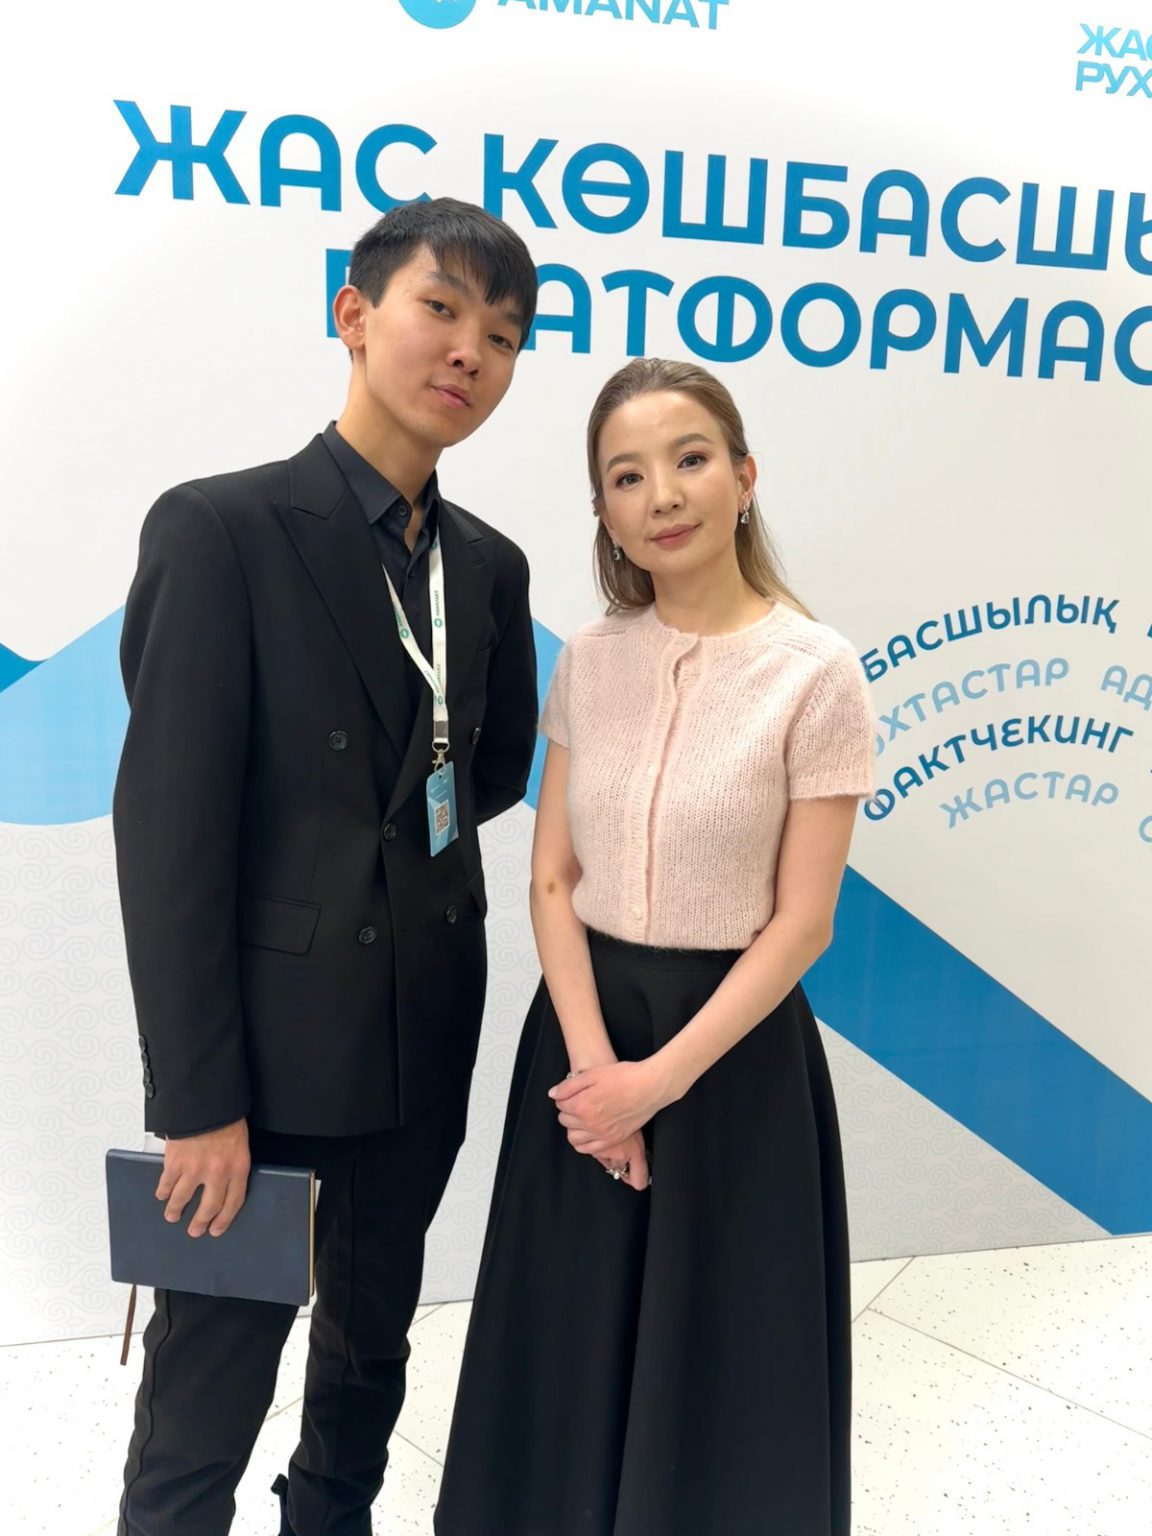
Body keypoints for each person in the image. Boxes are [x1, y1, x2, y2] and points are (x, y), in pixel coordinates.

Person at [112, 198, 539, 1536]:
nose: (469, 351)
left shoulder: (490, 566)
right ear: (353, 316)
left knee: (369, 1354)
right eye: (440, 309)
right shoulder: (222, 529)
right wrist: (198, 1101)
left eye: (503, 335)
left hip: (421, 1038)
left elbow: (489, 770)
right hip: (265, 1065)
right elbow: (169, 839)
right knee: (209, 1382)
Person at [434, 357, 876, 1536]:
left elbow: (804, 922)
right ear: (604, 511)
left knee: (721, 1357)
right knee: (564, 1334)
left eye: (689, 459)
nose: (663, 494)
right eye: (627, 476)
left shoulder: (816, 672)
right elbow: (552, 878)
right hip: (582, 1046)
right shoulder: (590, 657)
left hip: (731, 1060)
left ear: (744, 475)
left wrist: (657, 1083)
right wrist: (598, 1082)